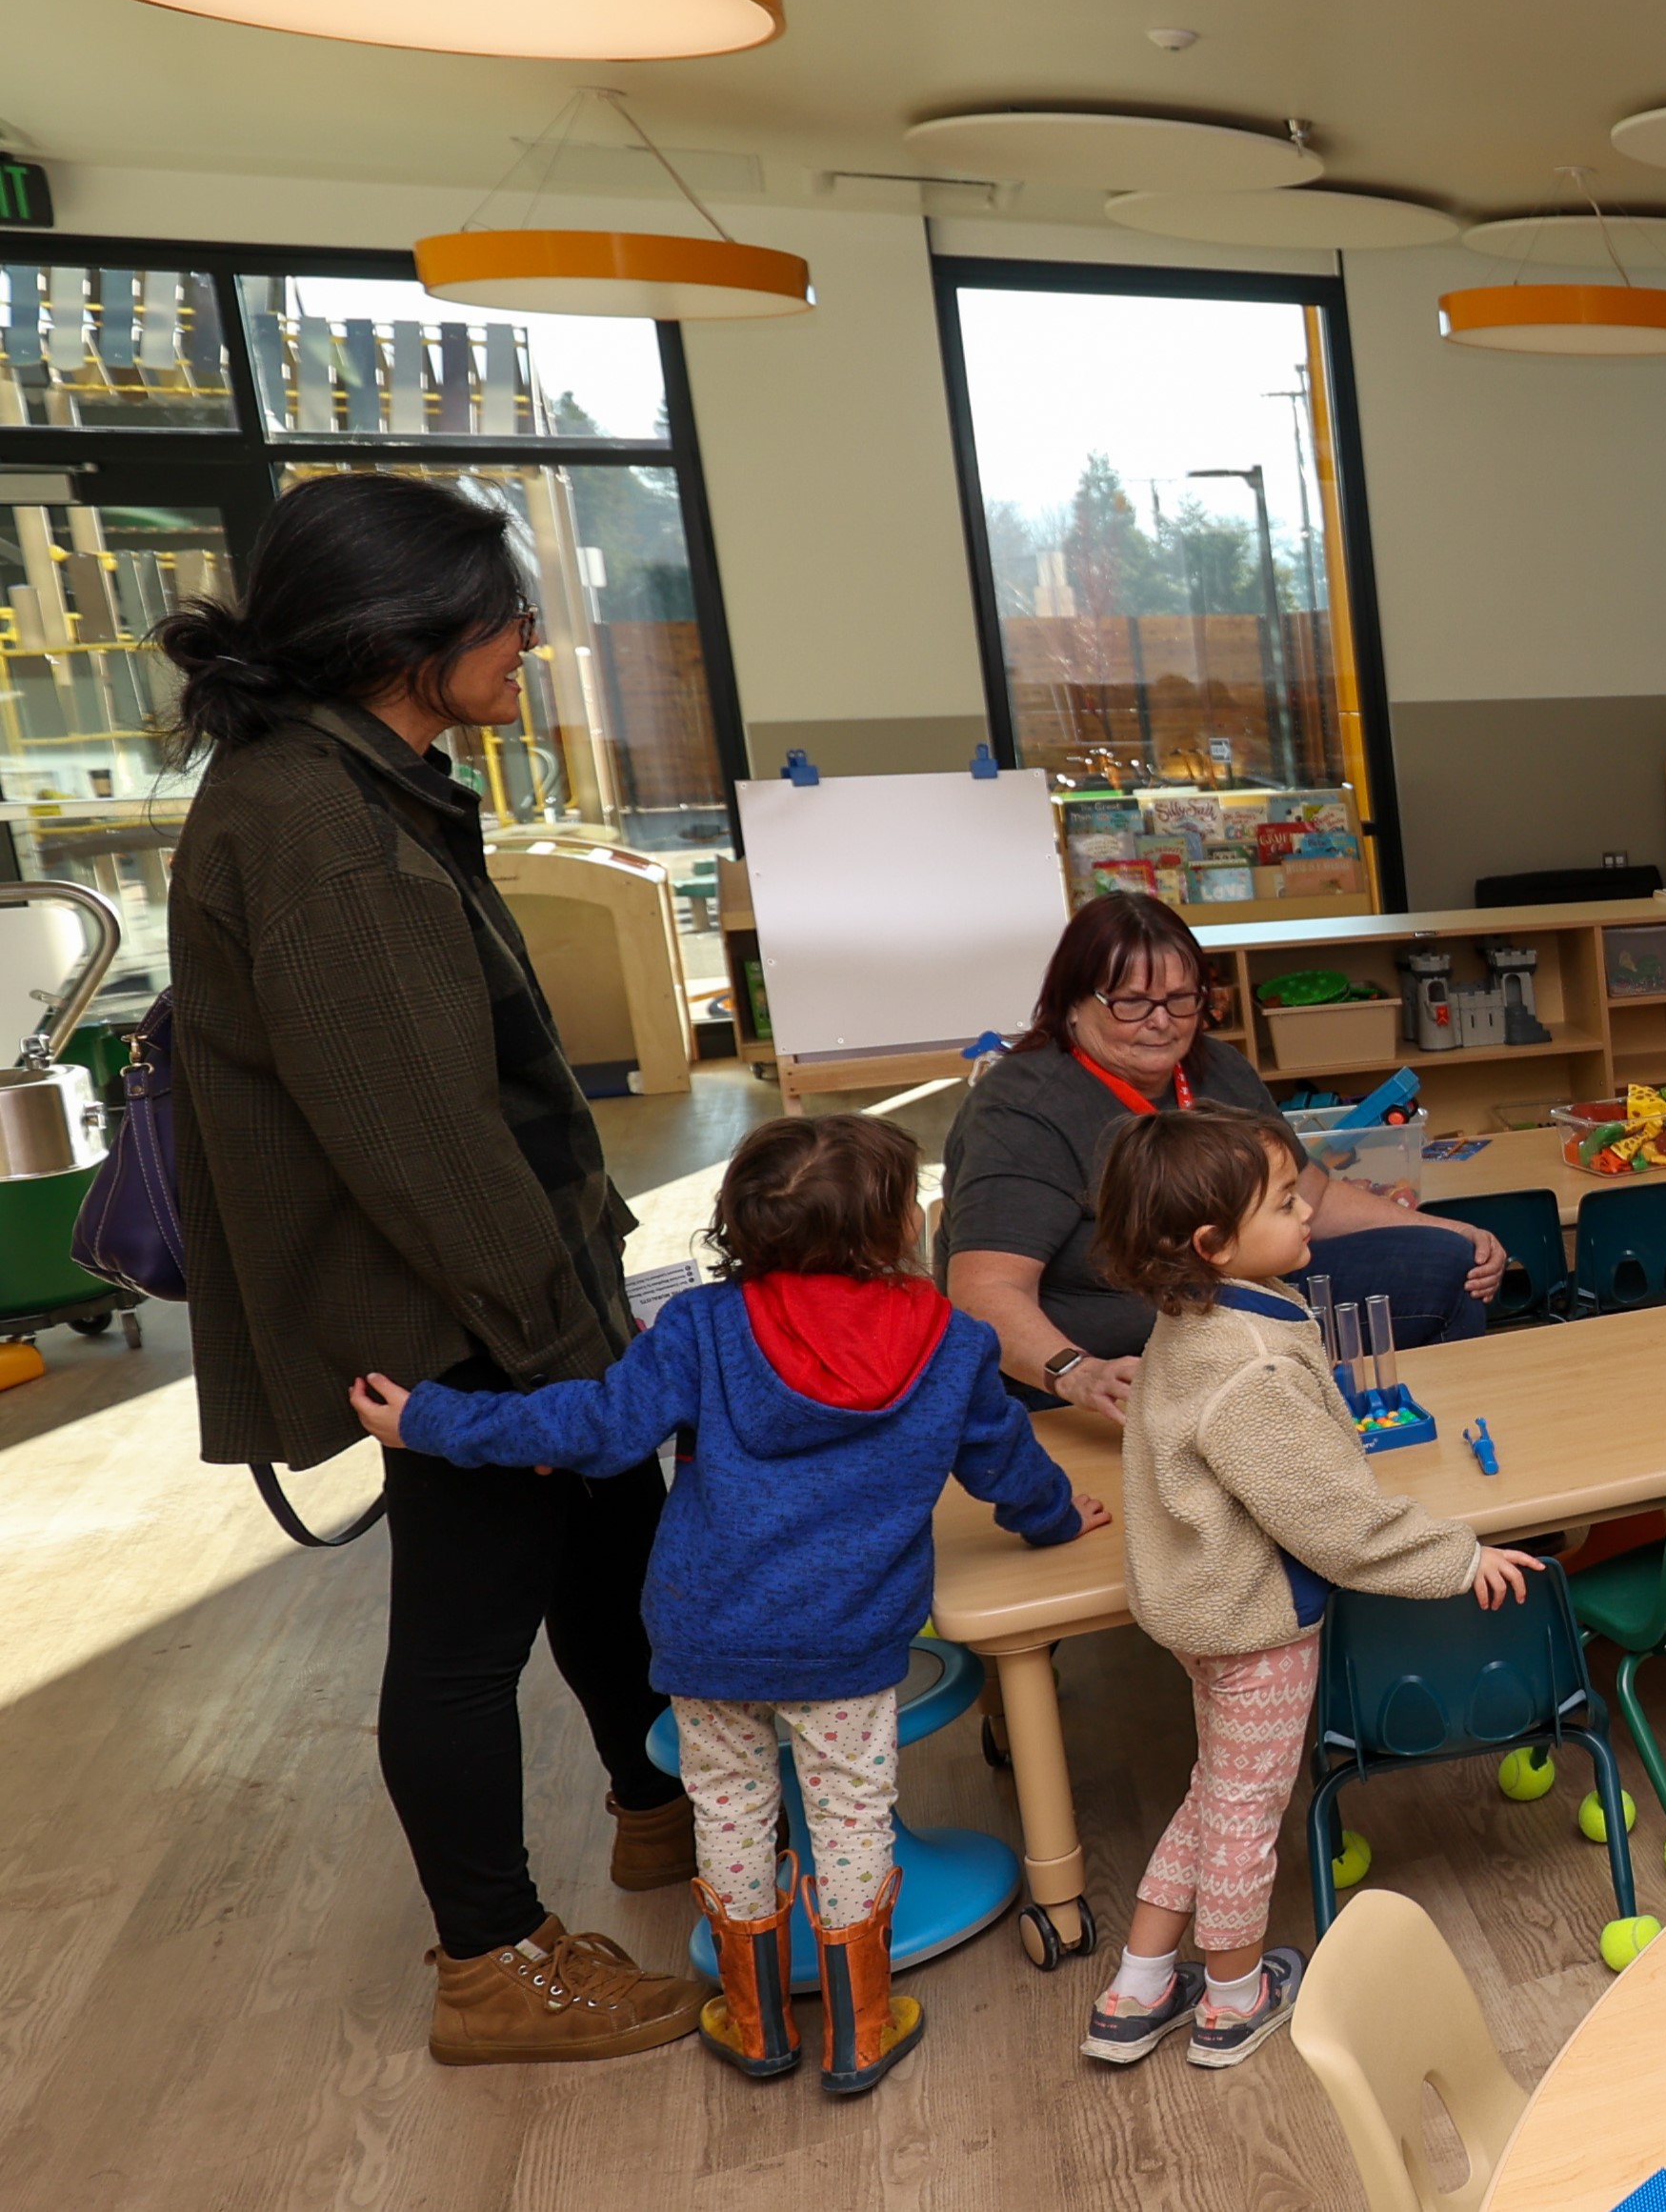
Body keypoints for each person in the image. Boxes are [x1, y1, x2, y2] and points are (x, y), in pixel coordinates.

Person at [163, 472, 705, 2064]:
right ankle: (492, 1963)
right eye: (511, 619)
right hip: (452, 1316)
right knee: (466, 1631)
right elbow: (422, 1143)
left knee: (619, 1539)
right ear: (408, 635)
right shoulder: (320, 830)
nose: (528, 646)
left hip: (513, 1283)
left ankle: (664, 1796)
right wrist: (554, 1359)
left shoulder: (357, 780)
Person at [349, 1113, 1107, 2096]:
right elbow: (1010, 1468)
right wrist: (1058, 1520)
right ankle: (860, 2028)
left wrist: (430, 1417)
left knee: (735, 1811)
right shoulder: (954, 1344)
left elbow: (593, 1427)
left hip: (710, 1631)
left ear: (740, 1227)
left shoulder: (704, 1328)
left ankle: (756, 2025)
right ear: (892, 1234)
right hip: (850, 1639)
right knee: (850, 1819)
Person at [1078, 1106, 1544, 2069]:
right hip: (1252, 1621)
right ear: (1212, 1243)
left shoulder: (1191, 1319)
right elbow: (1334, 1525)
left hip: (1195, 1602)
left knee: (1216, 1788)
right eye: (1286, 1202)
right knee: (1249, 1807)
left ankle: (1139, 1984)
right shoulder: (1246, 1367)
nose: (1304, 1216)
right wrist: (1457, 1557)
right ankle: (1233, 2001)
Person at [938, 892, 1508, 1421]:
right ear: (1073, 1002)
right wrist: (1075, 1373)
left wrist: (1448, 1227)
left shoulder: (1217, 1067)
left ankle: (1421, 1452)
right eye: (1132, 1003)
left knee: (1448, 1261)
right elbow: (985, 1292)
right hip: (1126, 1358)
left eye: (1181, 1000)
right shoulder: (1021, 1109)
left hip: (1249, 1305)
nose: (1162, 1022)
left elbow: (1309, 1194)